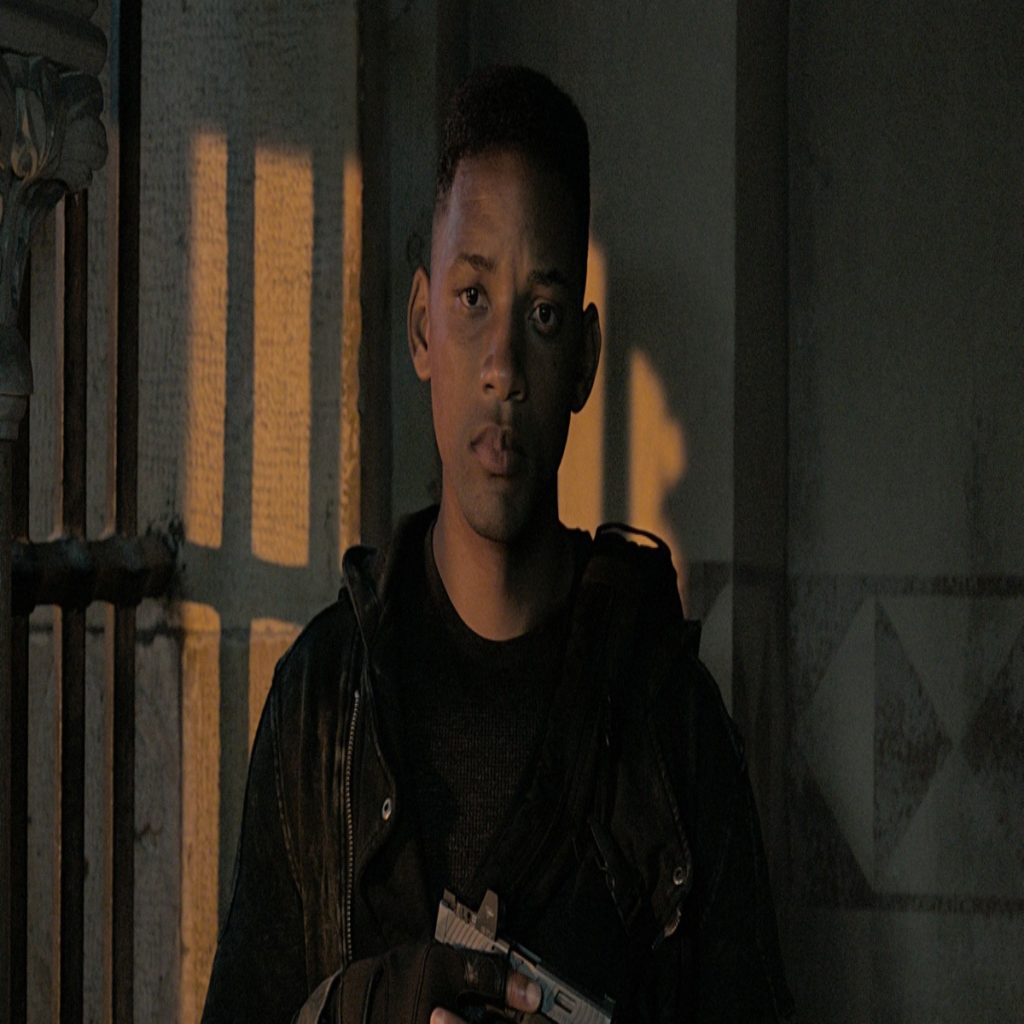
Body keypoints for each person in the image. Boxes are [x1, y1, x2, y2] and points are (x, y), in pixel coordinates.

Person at [202, 65, 794, 1023]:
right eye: (473, 298)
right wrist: (368, 1006)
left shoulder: (670, 723)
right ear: (421, 327)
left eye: (542, 315)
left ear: (585, 361)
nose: (504, 368)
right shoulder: (326, 708)